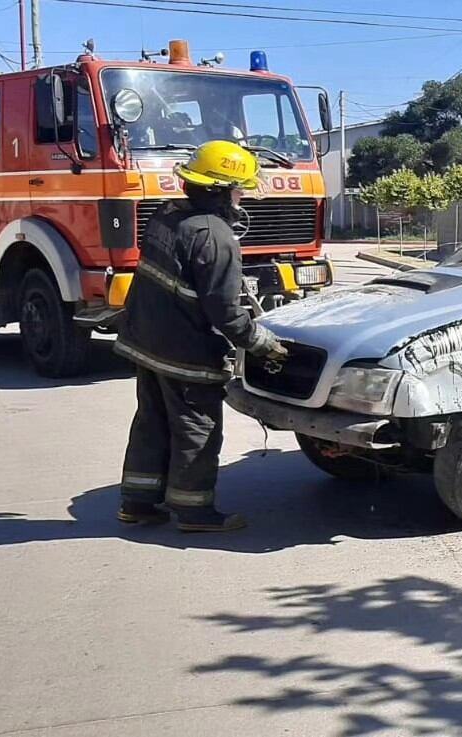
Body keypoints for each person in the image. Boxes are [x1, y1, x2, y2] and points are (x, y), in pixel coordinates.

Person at [114, 140, 288, 533]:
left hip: (145, 341)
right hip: (186, 353)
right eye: (238, 188)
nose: (242, 195)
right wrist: (261, 344)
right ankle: (194, 512)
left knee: (152, 421)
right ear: (220, 190)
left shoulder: (167, 214)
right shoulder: (215, 236)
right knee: (196, 427)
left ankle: (137, 503)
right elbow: (225, 312)